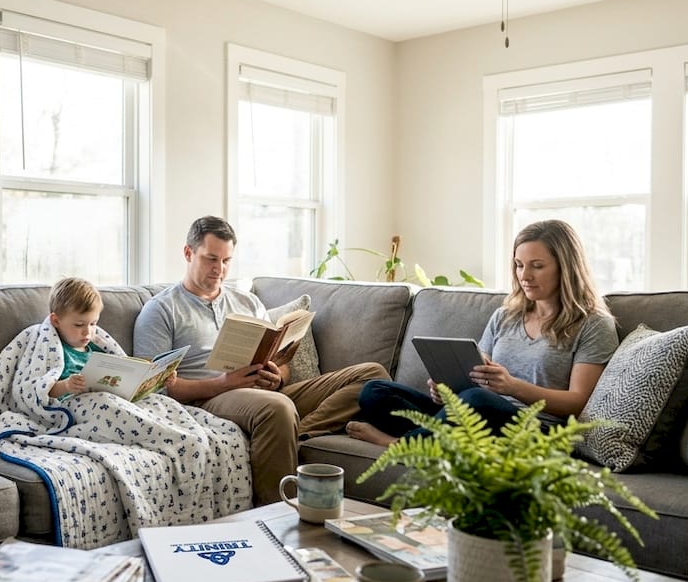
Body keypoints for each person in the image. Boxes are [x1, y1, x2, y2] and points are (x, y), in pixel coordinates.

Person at [0, 276, 252, 547]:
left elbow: (118, 370)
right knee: (108, 406)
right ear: (56, 320)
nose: (87, 331)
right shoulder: (45, 342)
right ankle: (177, 441)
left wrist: (142, 381)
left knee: (162, 405)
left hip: (111, 398)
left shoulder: (95, 344)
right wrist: (65, 386)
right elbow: (31, 387)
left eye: (92, 323)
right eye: (79, 325)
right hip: (74, 409)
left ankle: (189, 436)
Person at [134, 216, 389, 505]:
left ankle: (294, 434)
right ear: (188, 253)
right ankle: (279, 513)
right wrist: (223, 383)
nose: (220, 270)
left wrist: (278, 375)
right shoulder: (161, 310)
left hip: (263, 392)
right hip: (209, 400)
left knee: (372, 374)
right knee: (277, 407)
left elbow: (280, 362)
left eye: (227, 260)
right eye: (211, 259)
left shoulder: (247, 302)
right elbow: (154, 388)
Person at [346, 219, 619, 447]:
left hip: (536, 430)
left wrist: (512, 387)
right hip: (477, 415)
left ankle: (400, 444)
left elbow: (578, 402)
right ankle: (441, 438)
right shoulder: (506, 316)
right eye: (519, 265)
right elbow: (477, 375)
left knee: (476, 401)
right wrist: (448, 390)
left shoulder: (593, 323)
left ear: (566, 267)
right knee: (374, 391)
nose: (525, 275)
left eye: (537, 265)